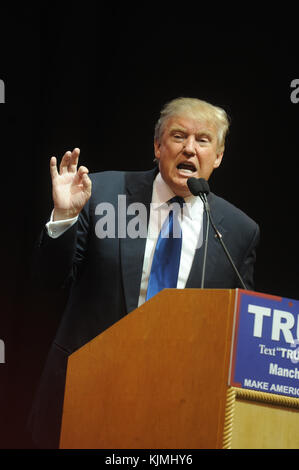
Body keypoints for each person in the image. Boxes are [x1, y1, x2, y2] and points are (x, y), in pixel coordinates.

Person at [29, 97, 260, 448]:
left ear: (219, 156)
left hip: (173, 414)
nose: (190, 149)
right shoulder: (104, 195)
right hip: (82, 397)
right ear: (157, 145)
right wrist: (63, 217)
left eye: (203, 140)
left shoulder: (238, 231)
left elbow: (238, 333)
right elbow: (47, 282)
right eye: (179, 136)